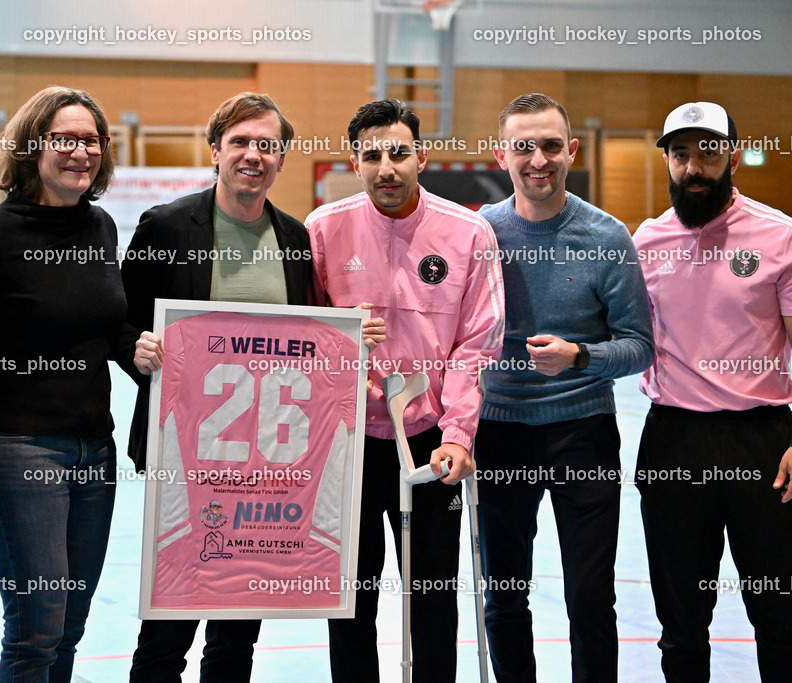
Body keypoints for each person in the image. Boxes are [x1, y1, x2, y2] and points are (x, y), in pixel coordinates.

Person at [306, 98, 505, 683]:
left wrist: (459, 436)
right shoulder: (323, 228)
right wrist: (342, 341)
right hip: (348, 447)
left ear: (421, 155)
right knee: (349, 604)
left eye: (398, 152)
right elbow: (303, 338)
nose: (386, 167)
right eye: (372, 156)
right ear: (354, 161)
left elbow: (477, 344)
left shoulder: (470, 232)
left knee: (434, 604)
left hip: (431, 445)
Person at [123, 92, 311, 682]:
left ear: (281, 159)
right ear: (215, 151)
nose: (253, 155)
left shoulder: (297, 239)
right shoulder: (167, 225)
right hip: (182, 457)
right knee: (167, 626)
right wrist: (138, 348)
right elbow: (121, 318)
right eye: (240, 142)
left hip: (263, 465)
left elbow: (309, 337)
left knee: (236, 637)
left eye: (267, 145)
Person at [474, 93, 653, 682]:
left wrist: (581, 356)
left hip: (584, 432)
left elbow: (640, 347)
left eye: (551, 145)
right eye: (523, 146)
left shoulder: (608, 238)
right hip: (498, 433)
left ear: (570, 151)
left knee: (589, 597)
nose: (538, 160)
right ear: (503, 156)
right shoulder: (479, 235)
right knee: (504, 596)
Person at [0, 86, 135, 682]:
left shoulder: (102, 229)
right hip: (18, 450)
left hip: (96, 449)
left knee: (70, 628)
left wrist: (138, 347)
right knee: (37, 629)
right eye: (64, 139)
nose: (79, 152)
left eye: (90, 140)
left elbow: (105, 331)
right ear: (33, 146)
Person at [633, 101, 792, 682]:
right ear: (669, 162)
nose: (693, 167)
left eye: (708, 151)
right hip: (675, 439)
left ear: (733, 156)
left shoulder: (779, 236)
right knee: (680, 624)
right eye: (680, 155)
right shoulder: (645, 242)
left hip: (765, 442)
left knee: (780, 616)